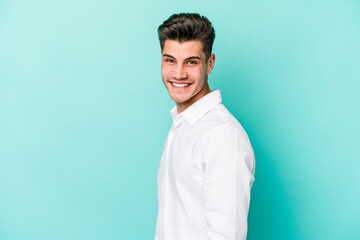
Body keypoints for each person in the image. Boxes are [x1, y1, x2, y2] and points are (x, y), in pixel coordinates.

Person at [155, 13, 255, 240]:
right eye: (171, 60)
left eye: (191, 62)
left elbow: (226, 235)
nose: (179, 74)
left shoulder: (221, 136)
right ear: (161, 58)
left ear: (210, 64)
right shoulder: (182, 127)